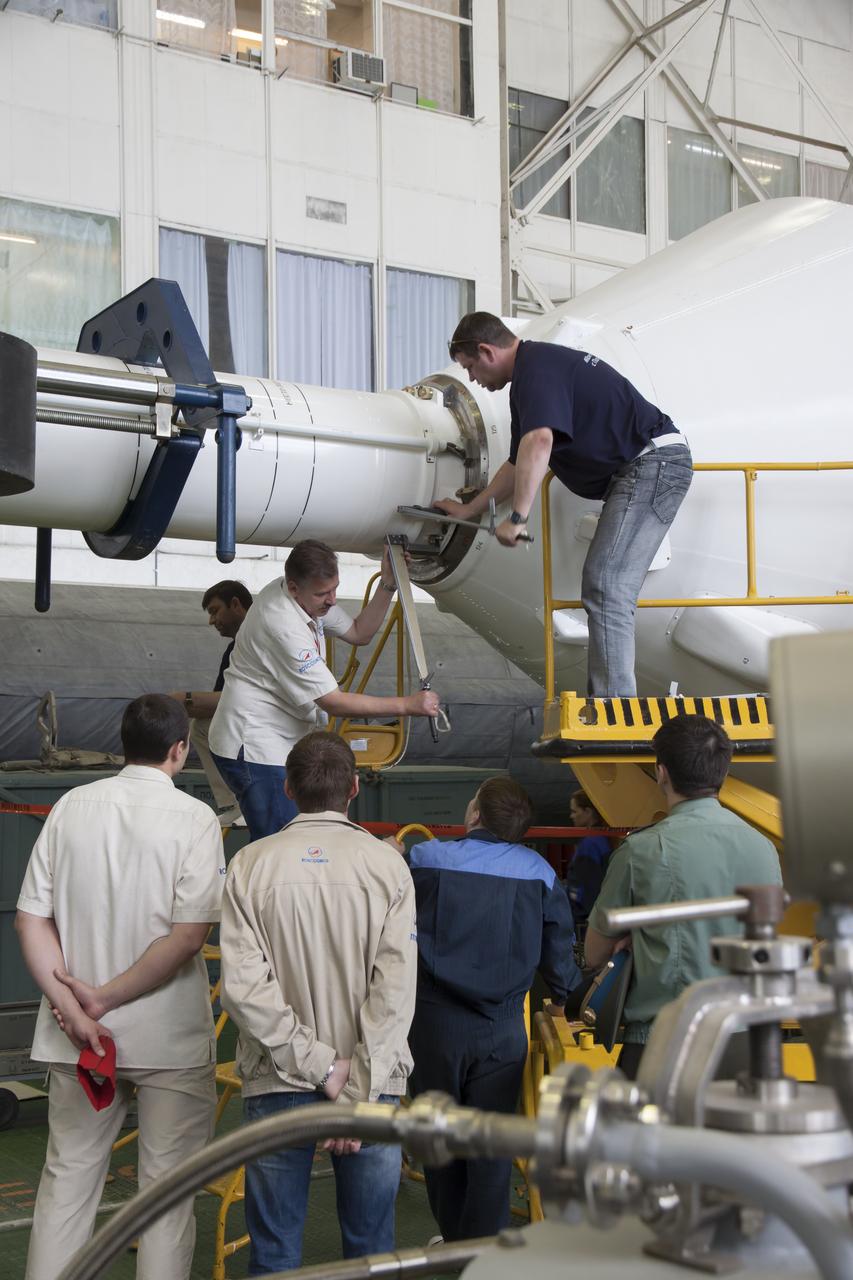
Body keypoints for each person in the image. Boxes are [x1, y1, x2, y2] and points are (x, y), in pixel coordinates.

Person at [15, 694, 225, 1280]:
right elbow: (187, 938)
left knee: (68, 1180)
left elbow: (30, 919)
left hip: (76, 1037)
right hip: (167, 1040)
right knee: (165, 1197)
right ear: (180, 749)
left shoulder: (71, 807)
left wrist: (77, 1012)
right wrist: (103, 999)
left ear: (123, 743)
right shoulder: (195, 819)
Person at [219, 731, 417, 1274]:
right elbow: (394, 993)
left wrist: (319, 1065)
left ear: (286, 787)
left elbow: (244, 989)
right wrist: (354, 1086)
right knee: (373, 1250)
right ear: (354, 787)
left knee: (276, 1250)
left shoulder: (250, 866)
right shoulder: (388, 867)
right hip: (372, 1085)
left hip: (278, 1078)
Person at [438, 311, 693, 696]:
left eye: (470, 367)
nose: (472, 378)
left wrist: (519, 518)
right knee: (605, 585)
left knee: (607, 585)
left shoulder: (536, 369)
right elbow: (517, 462)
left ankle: (614, 710)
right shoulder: (532, 375)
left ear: (487, 351)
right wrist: (469, 510)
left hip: (652, 464)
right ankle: (610, 701)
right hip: (641, 468)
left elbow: (540, 442)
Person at [399, 776, 581, 1242]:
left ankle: (454, 1241)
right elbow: (558, 949)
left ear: (475, 815)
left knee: (436, 1136)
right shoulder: (540, 873)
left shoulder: (425, 858)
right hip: (502, 1029)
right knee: (492, 1145)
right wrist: (561, 998)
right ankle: (484, 1252)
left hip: (433, 1023)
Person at [584, 714, 783, 1079]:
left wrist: (636, 940)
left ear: (661, 773)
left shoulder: (642, 850)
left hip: (666, 1045)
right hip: (747, 1046)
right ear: (722, 772)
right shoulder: (763, 848)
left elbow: (595, 952)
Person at [209, 539, 439, 841]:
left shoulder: (307, 598)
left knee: (294, 842)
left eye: (334, 589)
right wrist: (409, 705)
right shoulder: (282, 624)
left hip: (281, 742)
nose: (331, 600)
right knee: (280, 845)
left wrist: (388, 585)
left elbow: (359, 632)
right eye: (323, 593)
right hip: (255, 746)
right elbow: (333, 702)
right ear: (294, 588)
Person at [171, 579, 253, 826]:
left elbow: (237, 699)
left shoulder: (256, 643)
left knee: (203, 728)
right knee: (203, 724)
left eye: (215, 611)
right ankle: (234, 803)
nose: (211, 621)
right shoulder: (235, 649)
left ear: (236, 604)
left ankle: (239, 802)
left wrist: (184, 699)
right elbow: (223, 699)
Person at [566, 789, 613, 927]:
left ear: (588, 812)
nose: (571, 816)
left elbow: (588, 888)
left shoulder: (590, 844)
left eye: (575, 811)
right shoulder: (603, 840)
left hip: (586, 921)